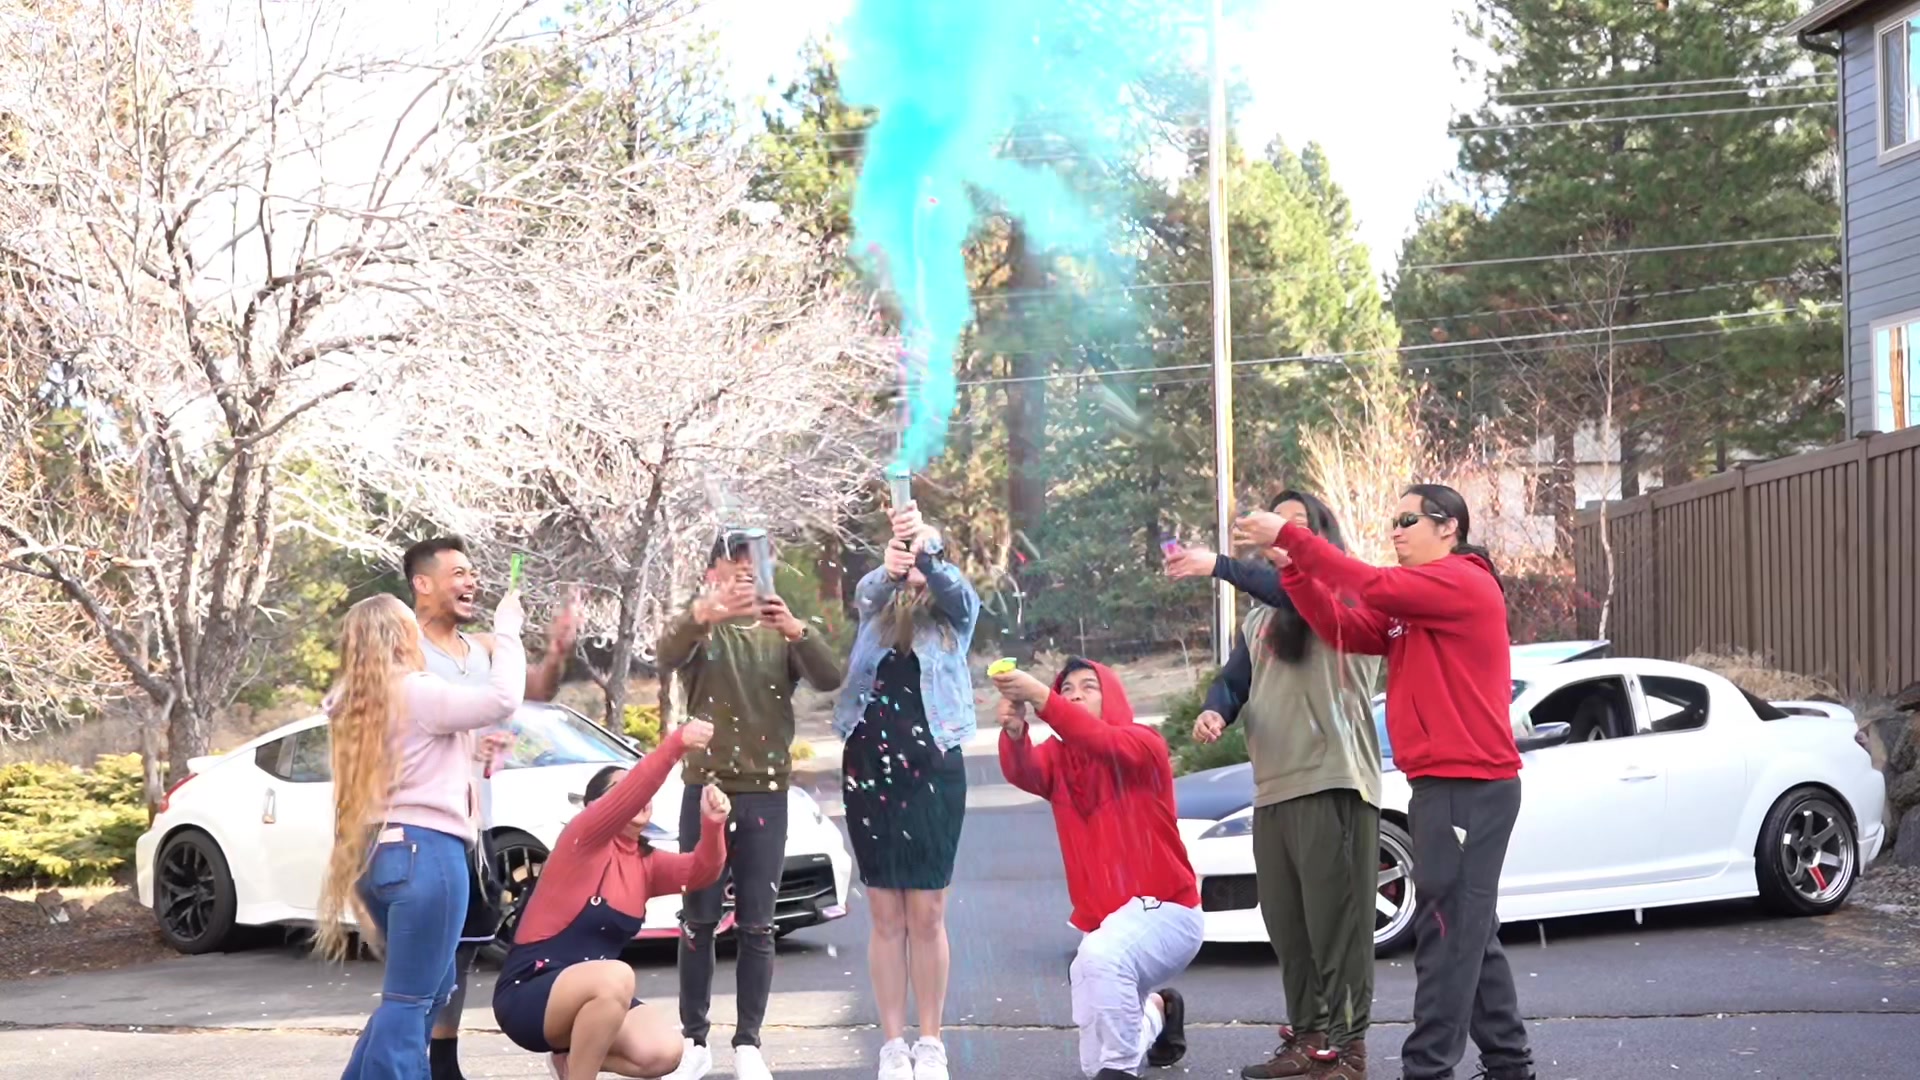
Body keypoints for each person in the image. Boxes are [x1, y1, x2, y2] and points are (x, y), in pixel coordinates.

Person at [1237, 483, 1535, 1080]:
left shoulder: (1462, 581)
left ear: (1448, 527)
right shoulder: (1413, 605)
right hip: (1438, 785)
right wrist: (1293, 570)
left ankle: (1427, 1068)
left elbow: (1369, 585)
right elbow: (1343, 627)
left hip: (1471, 785)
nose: (1395, 530)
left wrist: (1292, 537)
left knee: (1447, 932)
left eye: (1408, 519)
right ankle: (1510, 1063)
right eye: (1393, 520)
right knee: (1469, 930)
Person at [1171, 493, 1383, 1080]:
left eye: (1297, 526)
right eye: (1276, 524)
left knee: (1336, 926)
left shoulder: (1345, 592)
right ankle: (1308, 1039)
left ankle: (1349, 1051)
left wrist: (1220, 565)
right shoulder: (1260, 616)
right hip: (1272, 787)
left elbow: (1295, 590)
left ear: (1321, 535)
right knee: (1289, 928)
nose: (1282, 533)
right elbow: (1234, 680)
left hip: (1332, 779)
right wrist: (1216, 710)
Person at [657, 532, 847, 1080]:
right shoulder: (701, 624)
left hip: (766, 791)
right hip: (706, 789)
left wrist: (797, 630)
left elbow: (830, 677)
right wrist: (702, 613)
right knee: (697, 920)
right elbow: (666, 654)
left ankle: (749, 1044)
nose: (747, 572)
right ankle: (694, 1040)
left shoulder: (779, 626)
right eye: (735, 563)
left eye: (756, 564)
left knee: (759, 925)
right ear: (712, 571)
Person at [316, 590, 527, 1080]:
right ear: (401, 635)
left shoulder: (355, 701)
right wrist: (507, 630)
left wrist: (471, 753)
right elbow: (502, 699)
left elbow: (410, 759)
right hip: (426, 853)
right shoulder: (415, 690)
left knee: (430, 986)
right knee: (410, 999)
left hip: (375, 854)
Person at [403, 536, 582, 1080]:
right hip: (419, 826)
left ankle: (443, 1062)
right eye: (458, 573)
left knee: (461, 951)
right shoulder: (404, 650)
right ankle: (404, 1060)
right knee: (422, 960)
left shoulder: (481, 648)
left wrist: (555, 650)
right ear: (422, 583)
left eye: (474, 572)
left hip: (473, 824)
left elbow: (532, 691)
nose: (472, 581)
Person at [990, 657, 1200, 1080]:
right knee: (1093, 1061)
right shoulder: (1059, 758)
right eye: (1066, 689)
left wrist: (1041, 696)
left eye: (1089, 687)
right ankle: (1158, 1012)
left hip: (1168, 911)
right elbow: (1023, 771)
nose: (1074, 695)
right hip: (1107, 925)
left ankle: (1121, 1071)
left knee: (1100, 959)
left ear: (1113, 696)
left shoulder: (1142, 743)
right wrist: (1014, 733)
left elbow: (1099, 741)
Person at [491, 720, 730, 1080]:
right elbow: (636, 788)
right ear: (596, 806)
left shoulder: (645, 863)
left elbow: (702, 872)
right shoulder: (582, 840)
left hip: (598, 995)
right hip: (529, 993)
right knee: (616, 976)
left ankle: (570, 1061)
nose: (638, 797)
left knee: (665, 1052)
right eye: (622, 791)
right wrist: (676, 744)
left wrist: (713, 824)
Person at [834, 503, 980, 1080]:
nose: (918, 566)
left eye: (929, 556)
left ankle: (931, 1041)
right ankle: (892, 1044)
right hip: (869, 767)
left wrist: (928, 555)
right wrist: (890, 564)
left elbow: (961, 594)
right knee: (885, 913)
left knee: (928, 912)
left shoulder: (952, 618)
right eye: (910, 555)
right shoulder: (876, 612)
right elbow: (866, 591)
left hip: (933, 768)